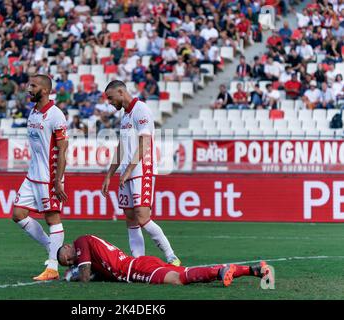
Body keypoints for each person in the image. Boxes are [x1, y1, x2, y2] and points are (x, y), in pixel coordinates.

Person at [101, 80, 180, 266]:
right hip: (126, 172)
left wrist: (129, 170)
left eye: (111, 98)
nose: (110, 102)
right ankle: (138, 262)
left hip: (141, 169)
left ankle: (171, 256)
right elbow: (121, 147)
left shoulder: (141, 110)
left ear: (121, 92)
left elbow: (145, 143)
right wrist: (108, 175)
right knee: (129, 217)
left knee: (143, 217)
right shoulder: (125, 116)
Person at [12, 74, 69, 282]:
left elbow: (63, 150)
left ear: (45, 90)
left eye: (33, 86)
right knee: (18, 214)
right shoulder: (34, 112)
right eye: (29, 85)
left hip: (48, 176)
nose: (29, 89)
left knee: (52, 218)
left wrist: (58, 180)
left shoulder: (56, 115)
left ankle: (53, 267)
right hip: (32, 175)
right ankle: (53, 248)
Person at [58, 234, 271, 286]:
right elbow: (97, 273)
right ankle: (253, 270)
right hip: (140, 263)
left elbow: (85, 275)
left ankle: (219, 272)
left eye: (66, 258)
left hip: (135, 269)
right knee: (184, 272)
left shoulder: (81, 243)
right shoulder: (90, 251)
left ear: (68, 247)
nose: (70, 262)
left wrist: (72, 277)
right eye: (67, 263)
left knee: (178, 280)